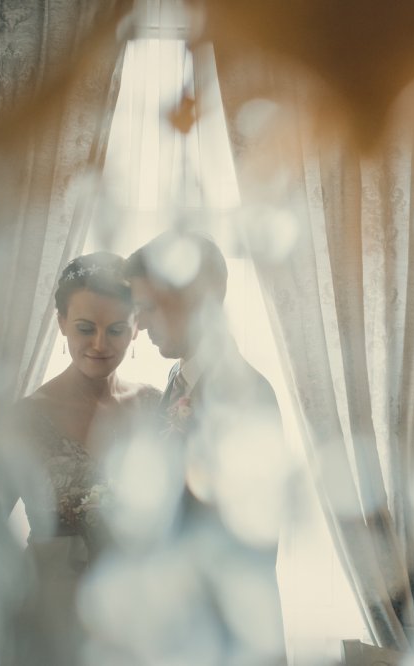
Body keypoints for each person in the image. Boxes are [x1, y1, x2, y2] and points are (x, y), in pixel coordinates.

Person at [0, 252, 162, 666]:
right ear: (61, 322)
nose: (99, 344)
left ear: (136, 326)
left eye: (116, 329)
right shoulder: (24, 419)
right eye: (85, 328)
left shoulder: (156, 408)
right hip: (50, 622)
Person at [123, 231, 288, 663]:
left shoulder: (245, 395)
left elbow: (248, 544)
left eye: (148, 307)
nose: (139, 325)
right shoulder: (175, 382)